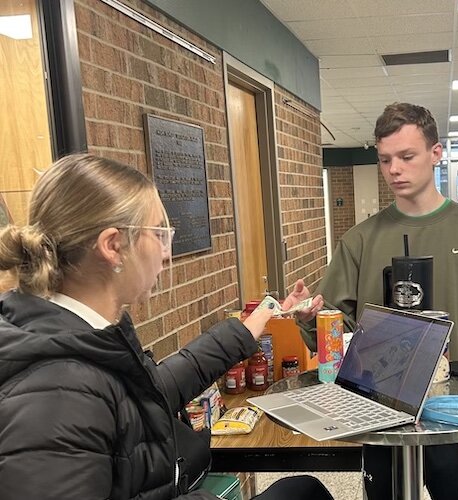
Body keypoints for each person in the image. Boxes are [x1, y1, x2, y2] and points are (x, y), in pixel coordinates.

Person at [0, 154, 331, 500]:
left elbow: (155, 388)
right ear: (113, 246)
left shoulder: (78, 333)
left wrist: (257, 321)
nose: (167, 253)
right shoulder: (57, 393)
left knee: (303, 491)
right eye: (159, 234)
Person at [300, 103, 458, 498]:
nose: (394, 169)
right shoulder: (360, 241)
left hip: (457, 416)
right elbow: (332, 335)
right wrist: (307, 316)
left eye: (406, 156)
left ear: (436, 153)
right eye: (385, 160)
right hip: (381, 416)